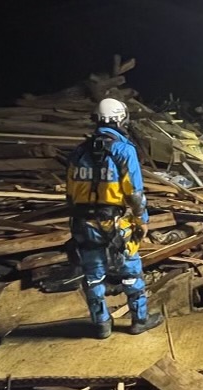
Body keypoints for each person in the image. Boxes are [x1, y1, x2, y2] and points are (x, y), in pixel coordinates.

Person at [66, 98, 163, 339]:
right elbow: (135, 194)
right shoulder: (123, 150)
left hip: (84, 224)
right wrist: (143, 220)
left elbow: (70, 192)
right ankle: (139, 320)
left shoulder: (78, 152)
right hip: (115, 224)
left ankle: (101, 325)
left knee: (93, 274)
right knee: (130, 272)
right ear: (120, 119)